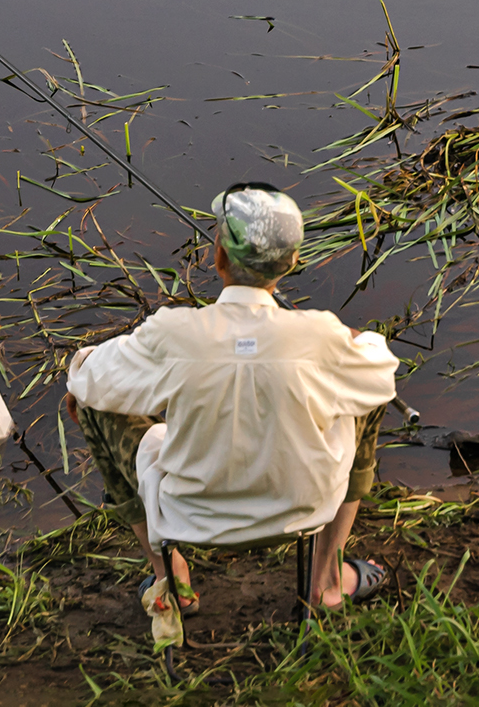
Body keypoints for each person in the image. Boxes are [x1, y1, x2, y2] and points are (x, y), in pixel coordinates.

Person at [65, 182, 399, 626]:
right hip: (302, 507)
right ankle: (328, 582)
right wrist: (356, 341)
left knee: (90, 402)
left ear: (218, 257)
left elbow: (86, 377)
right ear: (292, 262)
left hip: (187, 515)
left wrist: (95, 362)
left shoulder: (173, 333)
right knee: (368, 394)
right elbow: (381, 369)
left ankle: (172, 581)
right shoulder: (322, 335)